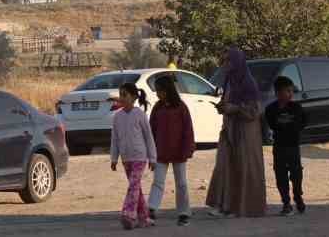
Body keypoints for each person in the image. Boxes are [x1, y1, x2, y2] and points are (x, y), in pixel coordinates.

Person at [204, 47, 266, 219]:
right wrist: (222, 107)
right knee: (225, 165)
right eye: (223, 61)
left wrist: (236, 108)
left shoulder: (248, 83)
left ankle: (241, 207)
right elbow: (227, 101)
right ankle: (224, 205)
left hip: (245, 132)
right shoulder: (229, 80)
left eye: (228, 61)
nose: (225, 64)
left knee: (243, 167)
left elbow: (255, 110)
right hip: (229, 128)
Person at [146, 74, 195, 227]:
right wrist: (150, 150)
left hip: (179, 152)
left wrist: (188, 149)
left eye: (159, 90)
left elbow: (188, 130)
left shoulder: (181, 107)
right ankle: (152, 209)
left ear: (167, 90)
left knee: (181, 183)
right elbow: (151, 130)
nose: (157, 93)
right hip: (160, 152)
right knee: (158, 182)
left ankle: (183, 213)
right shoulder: (157, 107)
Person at [109, 81, 156, 230]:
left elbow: (149, 137)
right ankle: (144, 218)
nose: (121, 98)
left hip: (139, 157)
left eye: (125, 95)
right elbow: (114, 139)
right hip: (126, 158)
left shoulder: (140, 115)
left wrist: (152, 158)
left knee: (133, 186)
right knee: (136, 188)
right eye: (120, 95)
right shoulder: (117, 117)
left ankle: (128, 214)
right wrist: (114, 158)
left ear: (134, 97)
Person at [263, 75, 306, 216]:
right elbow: (273, 124)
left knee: (296, 173)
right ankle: (286, 203)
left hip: (293, 146)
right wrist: (283, 124)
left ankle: (298, 197)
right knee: (280, 175)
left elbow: (302, 123)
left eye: (291, 91)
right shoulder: (271, 109)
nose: (290, 94)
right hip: (279, 146)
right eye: (287, 91)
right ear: (278, 93)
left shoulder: (296, 108)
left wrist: (289, 125)